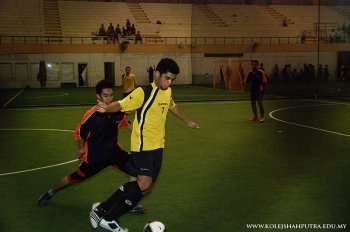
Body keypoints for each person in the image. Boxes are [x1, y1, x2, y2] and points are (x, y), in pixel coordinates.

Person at [89, 58, 200, 232]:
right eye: (167, 78)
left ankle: (110, 218)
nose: (169, 82)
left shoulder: (167, 91)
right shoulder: (143, 92)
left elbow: (172, 106)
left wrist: (187, 121)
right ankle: (102, 209)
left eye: (172, 79)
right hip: (143, 146)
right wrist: (106, 108)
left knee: (145, 189)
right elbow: (121, 104)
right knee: (143, 184)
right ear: (157, 74)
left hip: (158, 146)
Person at [37, 80, 144, 212]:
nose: (109, 99)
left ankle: (129, 202)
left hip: (114, 152)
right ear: (98, 96)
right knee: (73, 178)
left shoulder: (117, 110)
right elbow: (80, 132)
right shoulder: (91, 115)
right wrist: (81, 148)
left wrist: (141, 134)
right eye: (105, 95)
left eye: (111, 95)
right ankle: (51, 192)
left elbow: (125, 123)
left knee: (138, 171)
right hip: (95, 158)